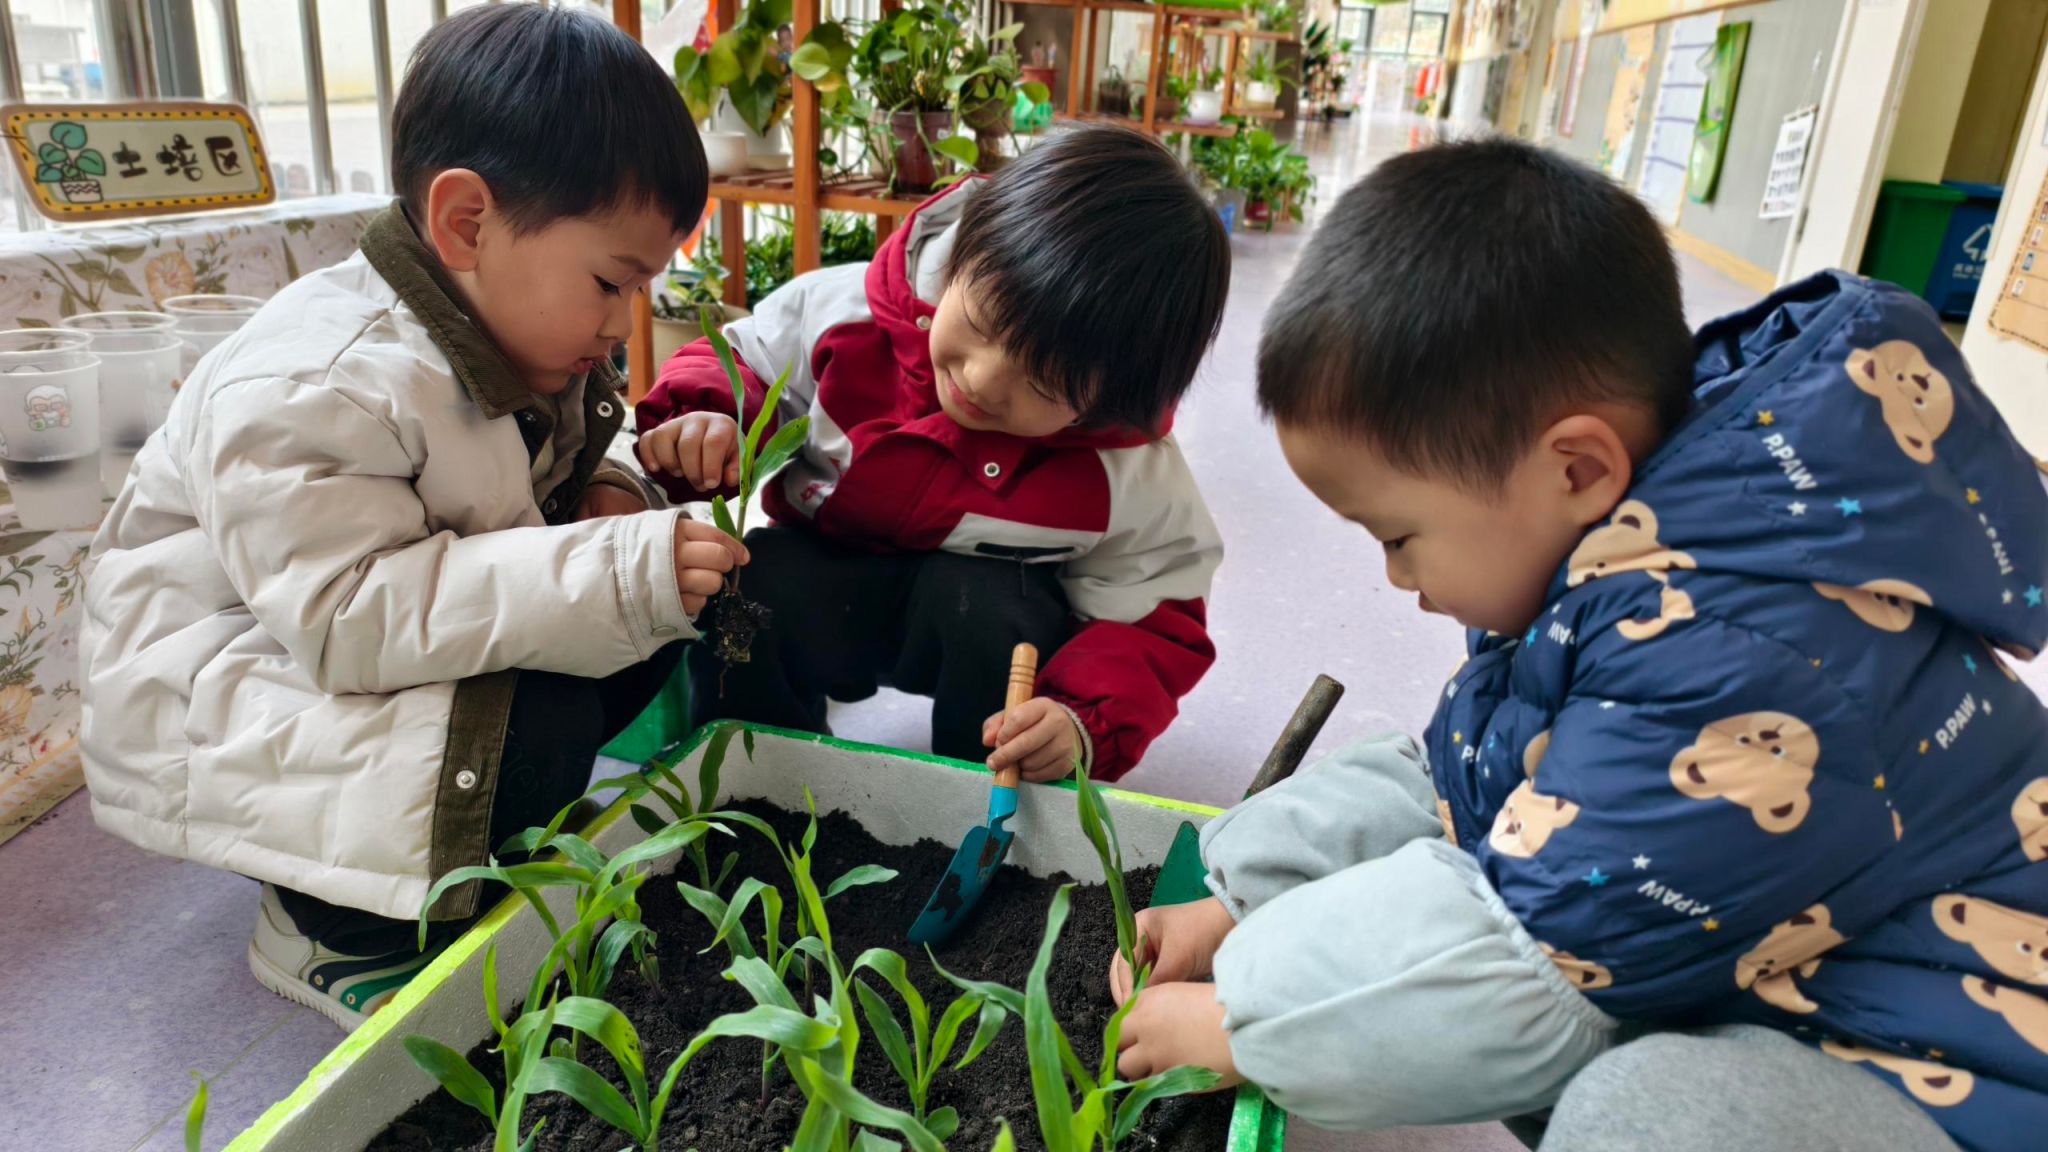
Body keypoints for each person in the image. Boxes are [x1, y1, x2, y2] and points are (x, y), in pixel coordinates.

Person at [1109, 137, 2048, 1152]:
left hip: (1965, 1080)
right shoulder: (1632, 567)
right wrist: (1237, 903)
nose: (1393, 579)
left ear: (1575, 469)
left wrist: (1244, 1026)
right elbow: (1467, 785)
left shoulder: (1739, 654)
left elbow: (1524, 963)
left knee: (1633, 1114)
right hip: (1800, 978)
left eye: (1398, 537)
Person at [79, 5, 743, 1031]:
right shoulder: (316, 384)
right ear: (467, 222)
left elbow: (548, 470)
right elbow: (352, 618)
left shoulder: (508, 325)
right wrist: (609, 569)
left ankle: (463, 843)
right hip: (240, 699)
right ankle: (327, 925)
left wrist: (616, 490)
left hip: (369, 663)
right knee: (541, 718)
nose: (625, 323)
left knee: (656, 621)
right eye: (613, 282)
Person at [634, 125, 1230, 782]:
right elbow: (746, 359)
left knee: (1000, 620)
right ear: (965, 253)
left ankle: (982, 804)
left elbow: (1154, 618)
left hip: (981, 616)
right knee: (748, 592)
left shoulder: (1130, 469)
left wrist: (1081, 719)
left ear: (1111, 397)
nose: (981, 380)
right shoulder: (844, 316)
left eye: (1041, 384)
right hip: (827, 574)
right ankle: (754, 785)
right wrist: (710, 419)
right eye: (979, 323)